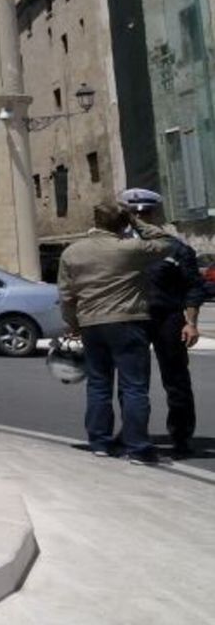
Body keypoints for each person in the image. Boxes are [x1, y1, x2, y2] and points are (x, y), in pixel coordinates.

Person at [57, 200, 178, 465]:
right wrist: (137, 221)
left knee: (98, 384)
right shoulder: (130, 249)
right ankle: (138, 447)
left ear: (96, 221)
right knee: (134, 386)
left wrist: (73, 324)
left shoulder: (72, 252)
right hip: (127, 321)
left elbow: (66, 296)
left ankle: (99, 442)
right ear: (123, 223)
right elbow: (169, 242)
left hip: (91, 323)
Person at [120, 188, 205, 459]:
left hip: (168, 318)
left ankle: (181, 438)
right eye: (136, 213)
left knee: (176, 380)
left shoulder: (176, 248)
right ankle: (133, 435)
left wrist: (191, 322)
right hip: (133, 317)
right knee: (133, 382)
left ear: (155, 214)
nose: (141, 217)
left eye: (146, 213)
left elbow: (193, 287)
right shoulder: (121, 247)